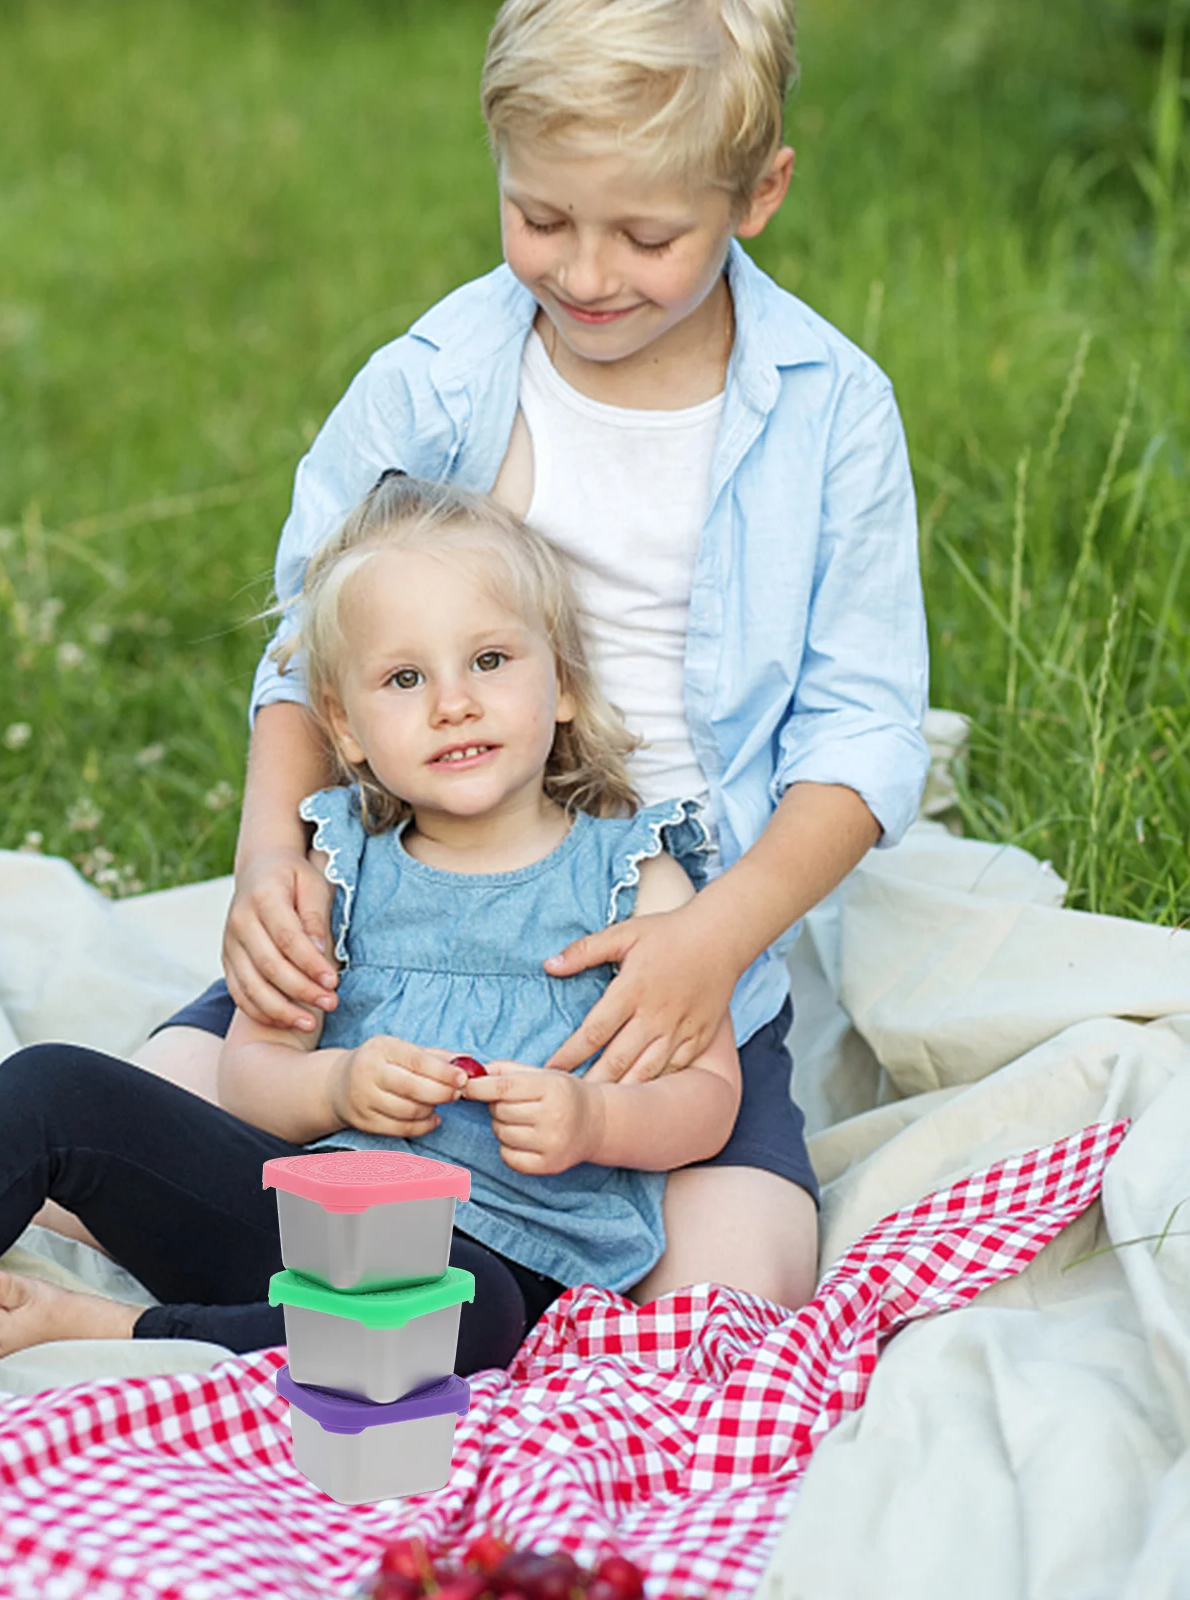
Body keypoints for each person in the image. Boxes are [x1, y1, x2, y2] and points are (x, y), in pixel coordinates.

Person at [129, 0, 930, 1313]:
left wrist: (712, 946)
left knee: (733, 1297)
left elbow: (864, 738)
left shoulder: (832, 411)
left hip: (659, 936)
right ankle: (251, 1290)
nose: (588, 272)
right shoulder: (435, 384)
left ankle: (475, 1286)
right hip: (413, 907)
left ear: (760, 192)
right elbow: (304, 657)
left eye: (648, 234)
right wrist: (276, 869)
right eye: (542, 219)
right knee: (146, 1127)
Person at [0, 475, 740, 1373]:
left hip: (494, 1270)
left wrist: (593, 1119)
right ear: (348, 725)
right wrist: (336, 1089)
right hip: (308, 1223)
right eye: (405, 678)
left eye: (490, 661)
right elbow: (249, 1076)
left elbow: (710, 1096)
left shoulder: (634, 879)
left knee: (465, 1314)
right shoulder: (338, 872)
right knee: (51, 1087)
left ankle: (127, 1332)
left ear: (562, 683)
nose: (454, 702)